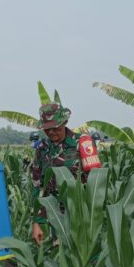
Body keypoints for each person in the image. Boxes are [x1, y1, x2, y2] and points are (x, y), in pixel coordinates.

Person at [30, 103, 101, 245]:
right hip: (56, 219)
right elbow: (37, 187)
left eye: (55, 127)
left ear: (65, 122)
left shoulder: (82, 143)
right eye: (47, 129)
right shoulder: (42, 149)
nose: (51, 132)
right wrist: (36, 223)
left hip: (82, 218)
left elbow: (97, 181)